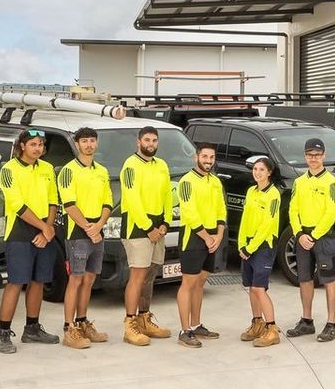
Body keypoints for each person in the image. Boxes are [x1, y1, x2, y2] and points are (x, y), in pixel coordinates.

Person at [0, 129, 62, 353]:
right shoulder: (9, 169)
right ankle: (3, 333)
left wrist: (48, 229)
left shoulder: (47, 168)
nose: (38, 148)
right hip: (20, 232)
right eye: (33, 144)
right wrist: (44, 228)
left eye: (41, 145)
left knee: (38, 281)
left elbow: (53, 200)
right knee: (16, 282)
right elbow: (16, 204)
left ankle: (32, 328)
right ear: (22, 146)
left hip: (45, 232)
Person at [57, 127, 113, 349]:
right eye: (85, 141)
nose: (89, 145)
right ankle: (69, 328)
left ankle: (82, 322)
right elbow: (69, 204)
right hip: (78, 233)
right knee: (76, 279)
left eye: (92, 141)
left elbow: (108, 202)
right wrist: (89, 228)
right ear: (77, 144)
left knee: (89, 280)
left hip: (97, 231)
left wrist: (99, 226)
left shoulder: (101, 171)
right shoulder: (68, 171)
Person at [119, 126, 173, 346]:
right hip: (138, 227)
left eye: (154, 140)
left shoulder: (162, 165)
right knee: (138, 275)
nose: (151, 144)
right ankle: (130, 324)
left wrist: (165, 223)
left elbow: (168, 195)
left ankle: (144, 318)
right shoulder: (130, 166)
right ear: (138, 142)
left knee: (151, 275)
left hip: (158, 227)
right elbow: (132, 200)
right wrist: (148, 227)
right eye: (147, 140)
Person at [286, 137, 335, 343]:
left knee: (329, 279)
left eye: (317, 155)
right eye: (310, 155)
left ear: (324, 156)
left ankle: (331, 323)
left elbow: (331, 212)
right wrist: (300, 234)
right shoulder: (299, 182)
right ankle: (306, 320)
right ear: (305, 157)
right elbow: (293, 209)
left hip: (323, 237)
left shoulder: (331, 182)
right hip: (302, 238)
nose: (314, 159)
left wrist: (314, 235)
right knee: (304, 279)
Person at [175, 143, 226, 347]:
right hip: (194, 238)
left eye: (211, 157)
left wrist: (219, 234)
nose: (208, 161)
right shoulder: (186, 181)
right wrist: (206, 237)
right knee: (188, 283)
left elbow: (221, 209)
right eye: (204, 156)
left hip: (213, 238)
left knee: (200, 281)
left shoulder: (215, 181)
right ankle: (185, 330)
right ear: (196, 157)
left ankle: (196, 325)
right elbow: (189, 212)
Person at [237, 155, 282, 348]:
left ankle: (271, 328)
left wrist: (251, 247)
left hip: (263, 246)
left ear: (269, 172)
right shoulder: (250, 191)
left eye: (262, 170)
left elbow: (267, 225)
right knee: (251, 288)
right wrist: (241, 245)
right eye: (255, 169)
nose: (257, 173)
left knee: (259, 288)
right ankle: (257, 323)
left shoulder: (273, 195)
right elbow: (245, 220)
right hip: (247, 247)